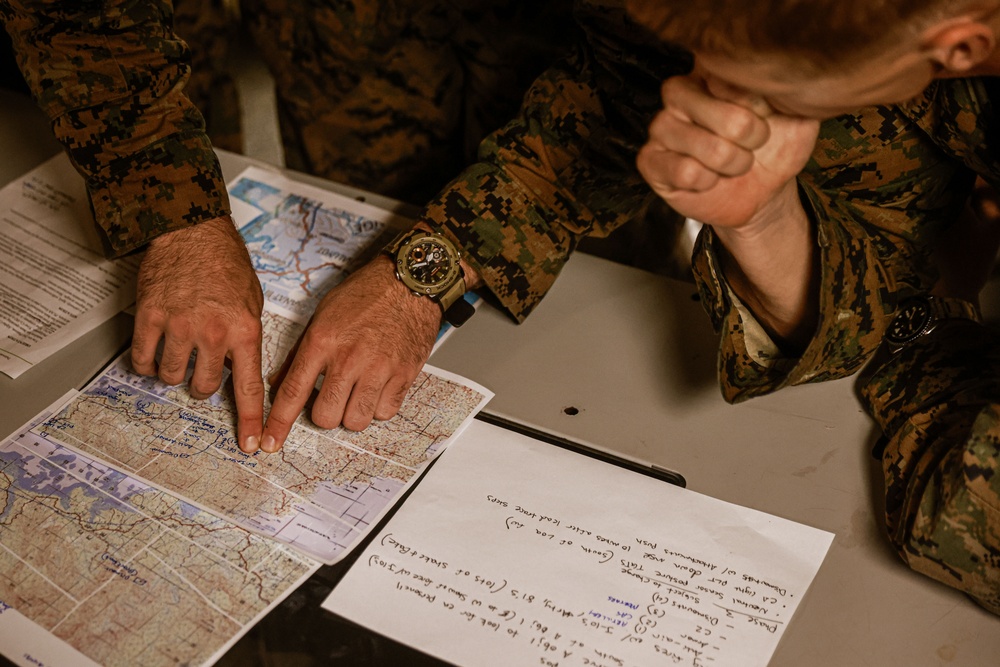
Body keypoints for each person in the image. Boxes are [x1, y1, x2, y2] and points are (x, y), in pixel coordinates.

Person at [622, 0, 1000, 612]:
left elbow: (972, 527)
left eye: (763, 84)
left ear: (959, 50)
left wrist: (925, 337)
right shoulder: (855, 33)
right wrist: (765, 218)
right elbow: (895, 266)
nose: (710, 92)